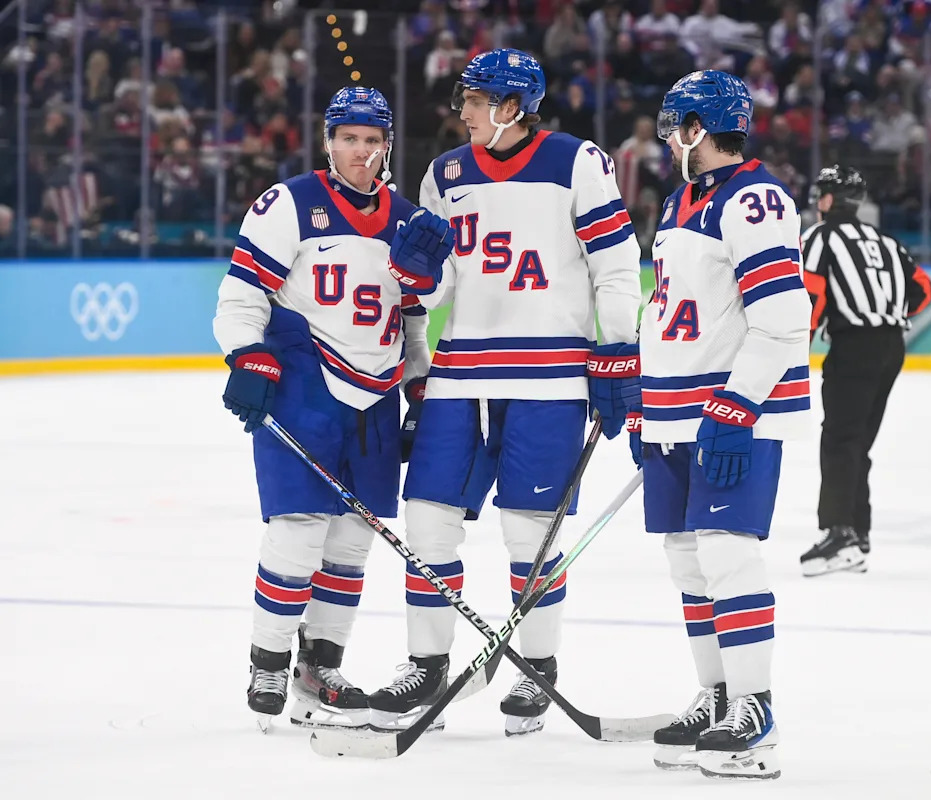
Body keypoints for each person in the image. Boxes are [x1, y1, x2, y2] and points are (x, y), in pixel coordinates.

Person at [372, 49, 643, 738]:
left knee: (530, 533)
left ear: (513, 106)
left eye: (475, 97)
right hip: (462, 374)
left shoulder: (577, 162)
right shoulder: (445, 174)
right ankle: (427, 665)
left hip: (550, 377)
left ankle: (536, 667)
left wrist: (615, 352)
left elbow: (616, 266)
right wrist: (417, 275)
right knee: (427, 518)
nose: (460, 109)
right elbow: (439, 288)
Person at [212, 87, 451, 730]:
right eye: (349, 138)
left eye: (373, 140)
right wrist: (247, 357)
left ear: (388, 146)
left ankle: (320, 664)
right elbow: (239, 299)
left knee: (352, 540)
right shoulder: (288, 203)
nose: (361, 152)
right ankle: (268, 658)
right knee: (297, 527)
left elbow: (414, 318)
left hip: (377, 391)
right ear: (328, 140)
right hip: (305, 380)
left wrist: (421, 383)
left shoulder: (407, 219)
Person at [630, 70, 812, 781]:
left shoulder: (756, 198)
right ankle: (714, 696)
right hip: (678, 410)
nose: (670, 136)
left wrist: (738, 408)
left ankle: (753, 704)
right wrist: (647, 402)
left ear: (700, 128)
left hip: (729, 410)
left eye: (677, 124)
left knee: (727, 550)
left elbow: (783, 317)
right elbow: (668, 310)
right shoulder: (683, 199)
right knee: (687, 556)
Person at [798, 165, 931, 576]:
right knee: (857, 441)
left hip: (853, 346)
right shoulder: (885, 241)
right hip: (890, 346)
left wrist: (791, 348)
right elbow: (922, 288)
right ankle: (857, 532)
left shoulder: (819, 237)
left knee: (839, 440)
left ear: (827, 199)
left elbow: (811, 294)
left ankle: (839, 536)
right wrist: (884, 312)